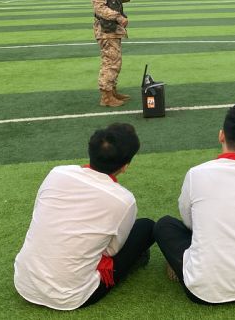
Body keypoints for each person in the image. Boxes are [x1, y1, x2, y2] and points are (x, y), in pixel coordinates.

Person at [14, 123, 154, 310]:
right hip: (72, 296)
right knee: (146, 227)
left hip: (24, 281)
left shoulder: (57, 172)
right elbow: (111, 251)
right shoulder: (123, 200)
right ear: (125, 166)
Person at [154, 102, 235, 305]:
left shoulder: (196, 174)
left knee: (164, 225)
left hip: (200, 290)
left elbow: (188, 220)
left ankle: (182, 263)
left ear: (221, 135)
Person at [90, 0, 133, 107]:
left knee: (115, 61)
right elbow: (100, 8)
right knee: (110, 62)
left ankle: (112, 91)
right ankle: (106, 96)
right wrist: (118, 17)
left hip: (112, 29)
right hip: (106, 30)